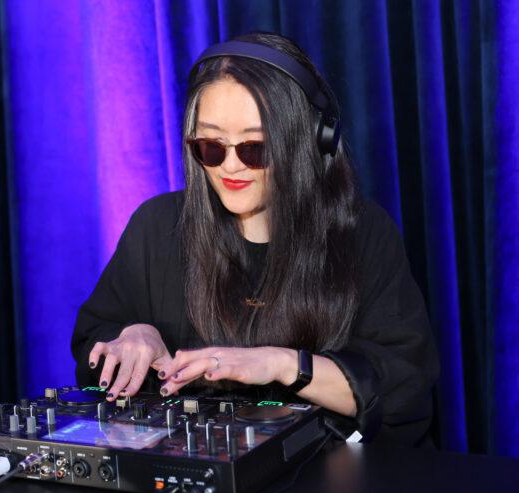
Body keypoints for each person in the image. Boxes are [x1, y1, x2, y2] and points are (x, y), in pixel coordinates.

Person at [71, 31, 439, 446]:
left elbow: (402, 385)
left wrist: (284, 365)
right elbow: (94, 340)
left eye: (254, 148)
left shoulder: (363, 234)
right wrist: (134, 334)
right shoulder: (157, 226)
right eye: (211, 146)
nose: (231, 166)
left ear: (310, 141)